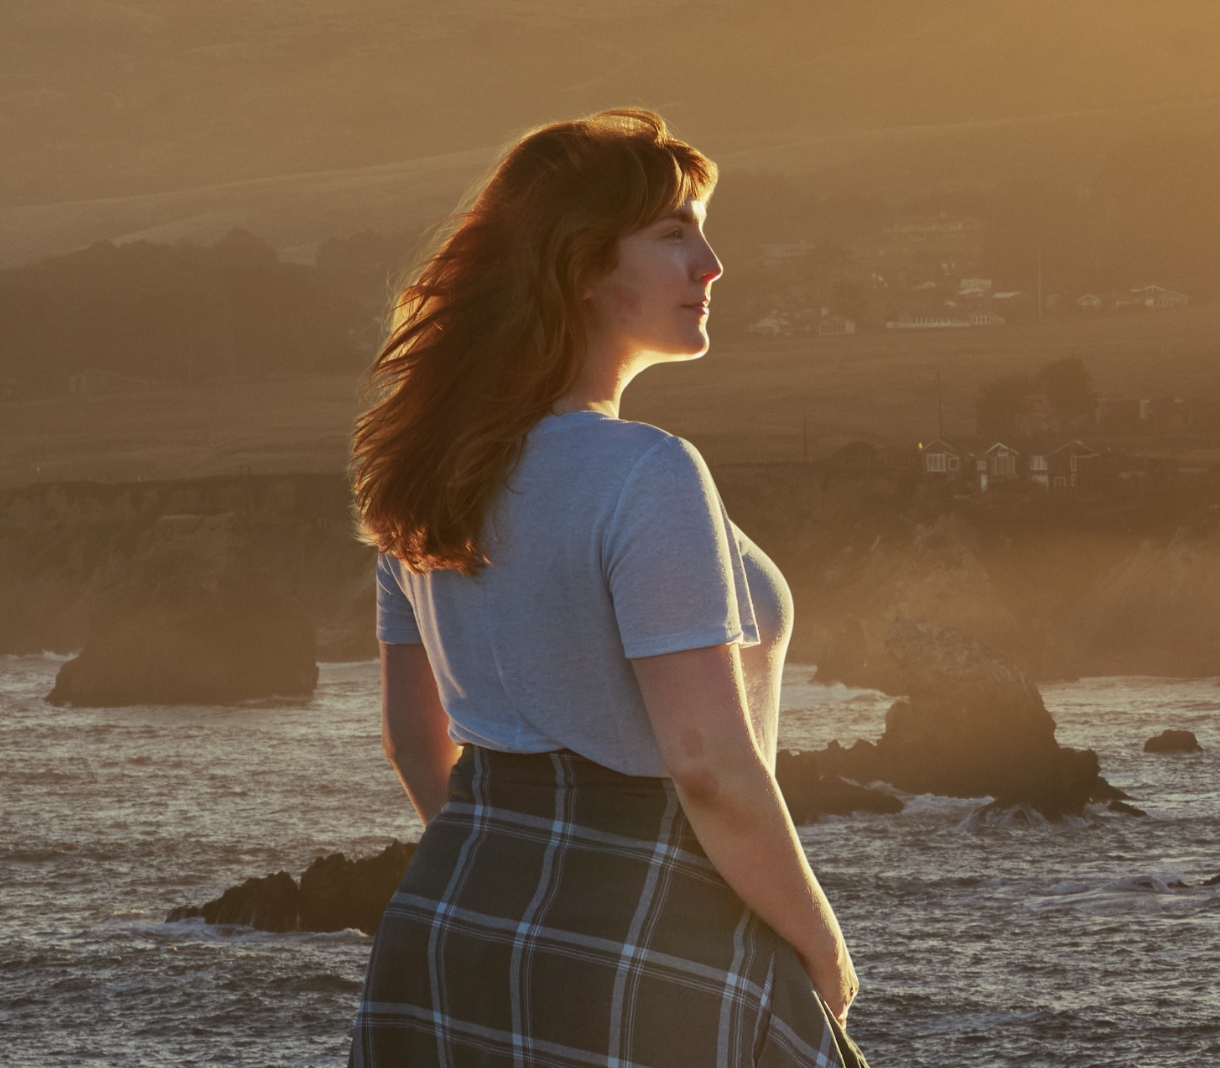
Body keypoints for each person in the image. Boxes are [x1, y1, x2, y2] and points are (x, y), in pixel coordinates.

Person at [345, 108, 859, 1067]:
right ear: (581, 266)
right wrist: (821, 944)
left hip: (453, 920)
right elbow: (707, 763)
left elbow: (418, 738)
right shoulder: (645, 472)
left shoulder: (425, 471)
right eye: (674, 235)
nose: (710, 265)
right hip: (654, 928)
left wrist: (511, 874)